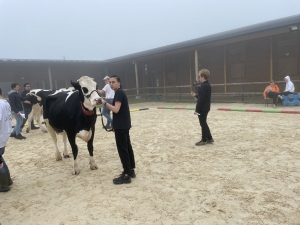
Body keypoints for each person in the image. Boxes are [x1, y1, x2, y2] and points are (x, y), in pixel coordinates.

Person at [101, 75, 136, 185]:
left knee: (123, 150)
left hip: (121, 125)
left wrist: (105, 103)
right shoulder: (120, 93)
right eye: (110, 82)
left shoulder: (119, 93)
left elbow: (116, 110)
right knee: (127, 147)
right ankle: (130, 170)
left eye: (113, 82)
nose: (111, 84)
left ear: (119, 83)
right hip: (123, 124)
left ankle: (126, 175)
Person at [191, 69, 214, 146]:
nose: (199, 78)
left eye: (199, 76)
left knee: (203, 124)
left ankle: (204, 139)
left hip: (202, 108)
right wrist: (195, 95)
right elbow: (202, 97)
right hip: (206, 107)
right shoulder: (207, 85)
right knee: (204, 123)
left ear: (202, 77)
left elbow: (201, 100)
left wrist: (197, 110)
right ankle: (209, 138)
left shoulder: (203, 86)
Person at [0, 87, 13, 192]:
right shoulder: (5, 103)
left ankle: (3, 185)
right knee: (1, 159)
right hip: (4, 135)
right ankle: (8, 180)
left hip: (0, 136)